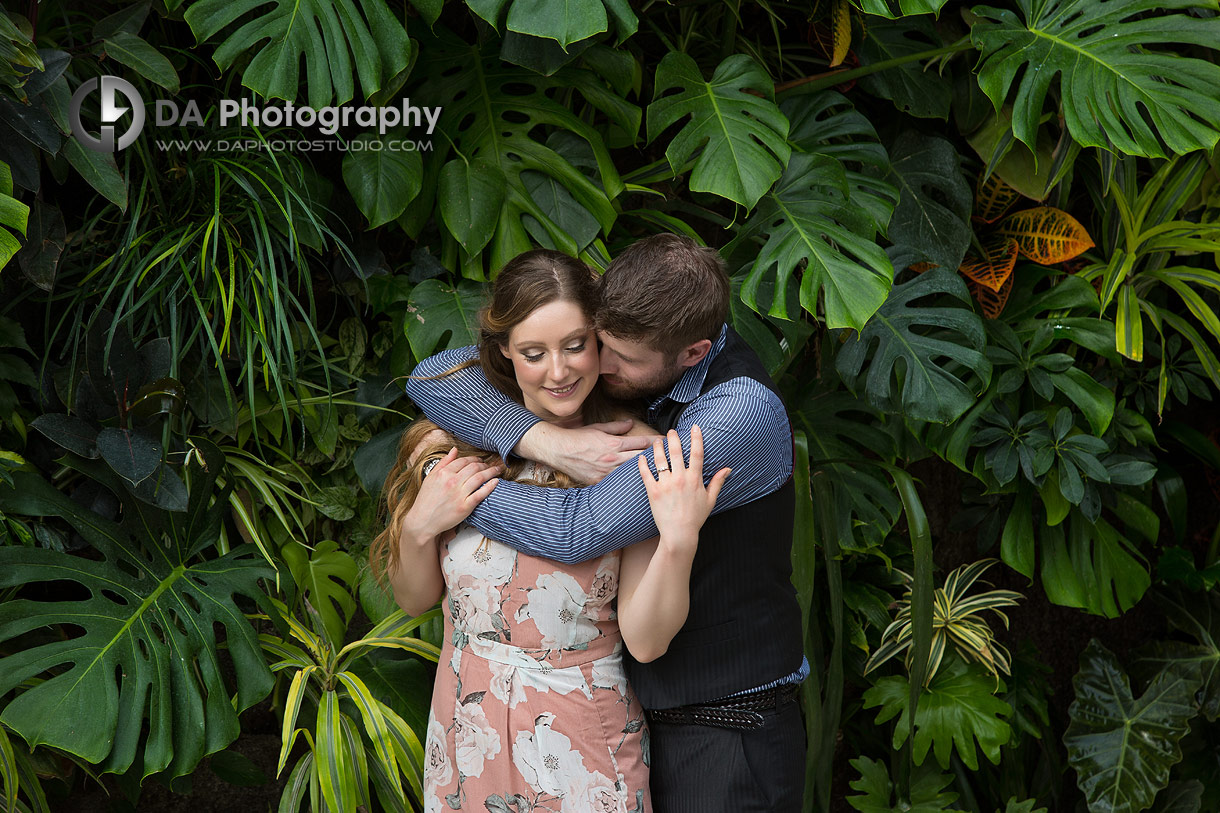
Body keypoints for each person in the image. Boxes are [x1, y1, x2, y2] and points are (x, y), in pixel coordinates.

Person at [405, 233, 808, 812]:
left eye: (620, 357)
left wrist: (448, 488)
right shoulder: (637, 345)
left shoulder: (734, 414)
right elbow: (434, 375)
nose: (600, 365)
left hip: (724, 721)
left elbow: (578, 529)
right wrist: (540, 440)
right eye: (599, 342)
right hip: (629, 712)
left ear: (693, 353)